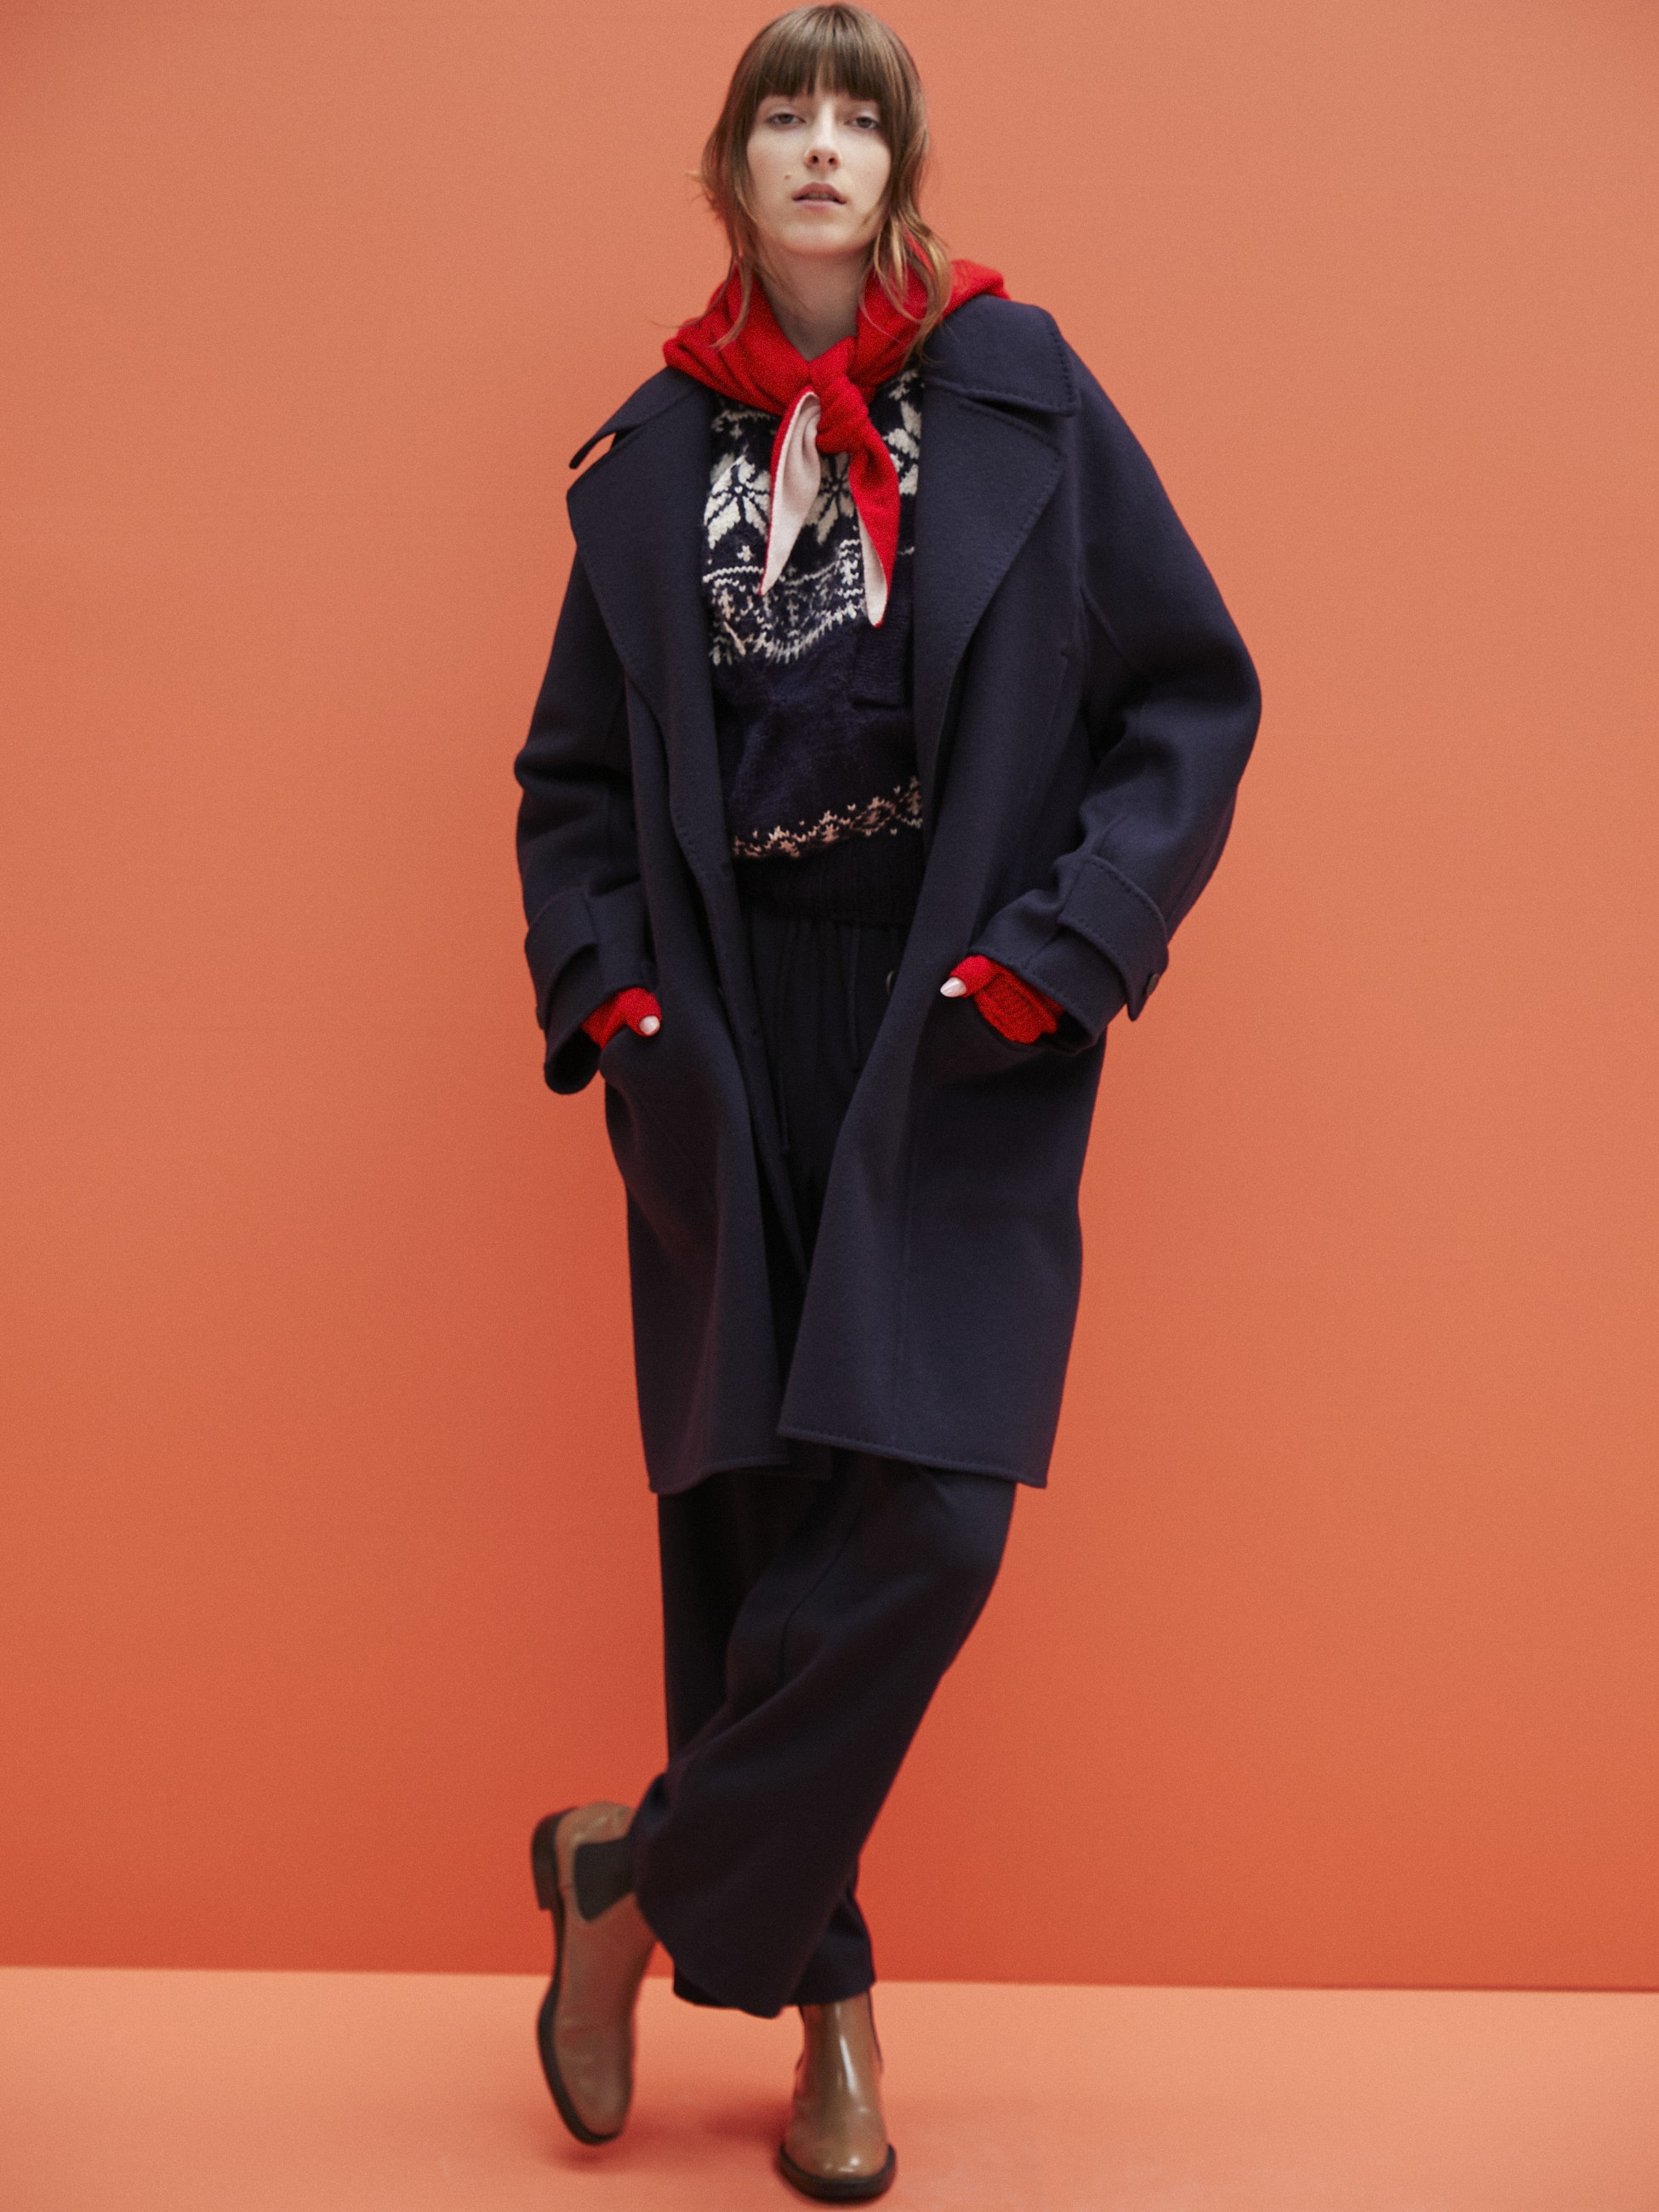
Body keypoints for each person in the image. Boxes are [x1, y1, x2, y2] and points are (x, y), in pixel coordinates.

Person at [512, 4, 1259, 2198]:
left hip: (950, 1015)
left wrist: (1063, 953)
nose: (823, 147)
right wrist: (615, 1001)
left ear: (901, 164)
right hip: (728, 1021)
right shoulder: (654, 456)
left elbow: (1192, 699)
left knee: (926, 1520)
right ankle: (828, 2015)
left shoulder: (1023, 392)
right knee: (760, 1532)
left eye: (861, 116)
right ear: (732, 168)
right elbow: (569, 784)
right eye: (787, 115)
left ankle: (629, 1878)